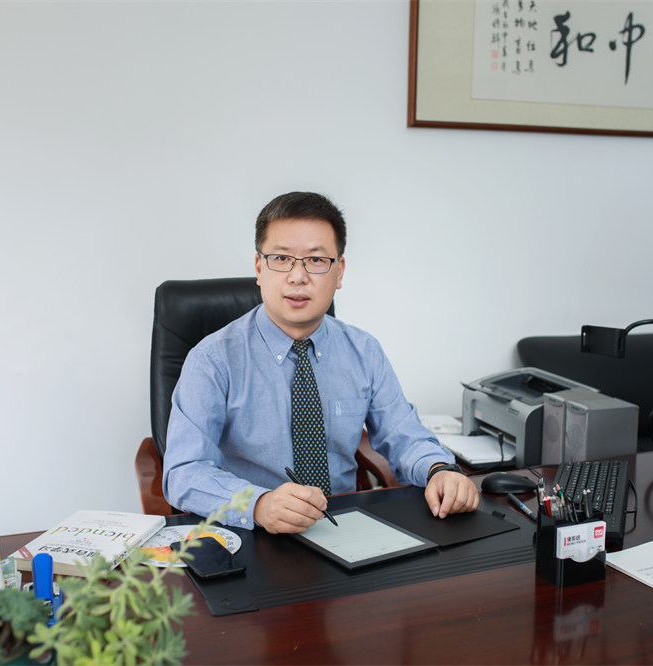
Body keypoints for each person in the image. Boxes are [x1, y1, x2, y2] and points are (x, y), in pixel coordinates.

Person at [162, 192, 479, 534]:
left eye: (316, 260)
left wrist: (439, 470)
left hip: (344, 527)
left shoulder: (363, 351)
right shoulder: (212, 360)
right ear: (259, 268)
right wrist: (258, 504)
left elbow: (404, 435)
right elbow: (184, 472)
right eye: (281, 258)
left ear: (339, 272)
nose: (298, 276)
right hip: (252, 533)